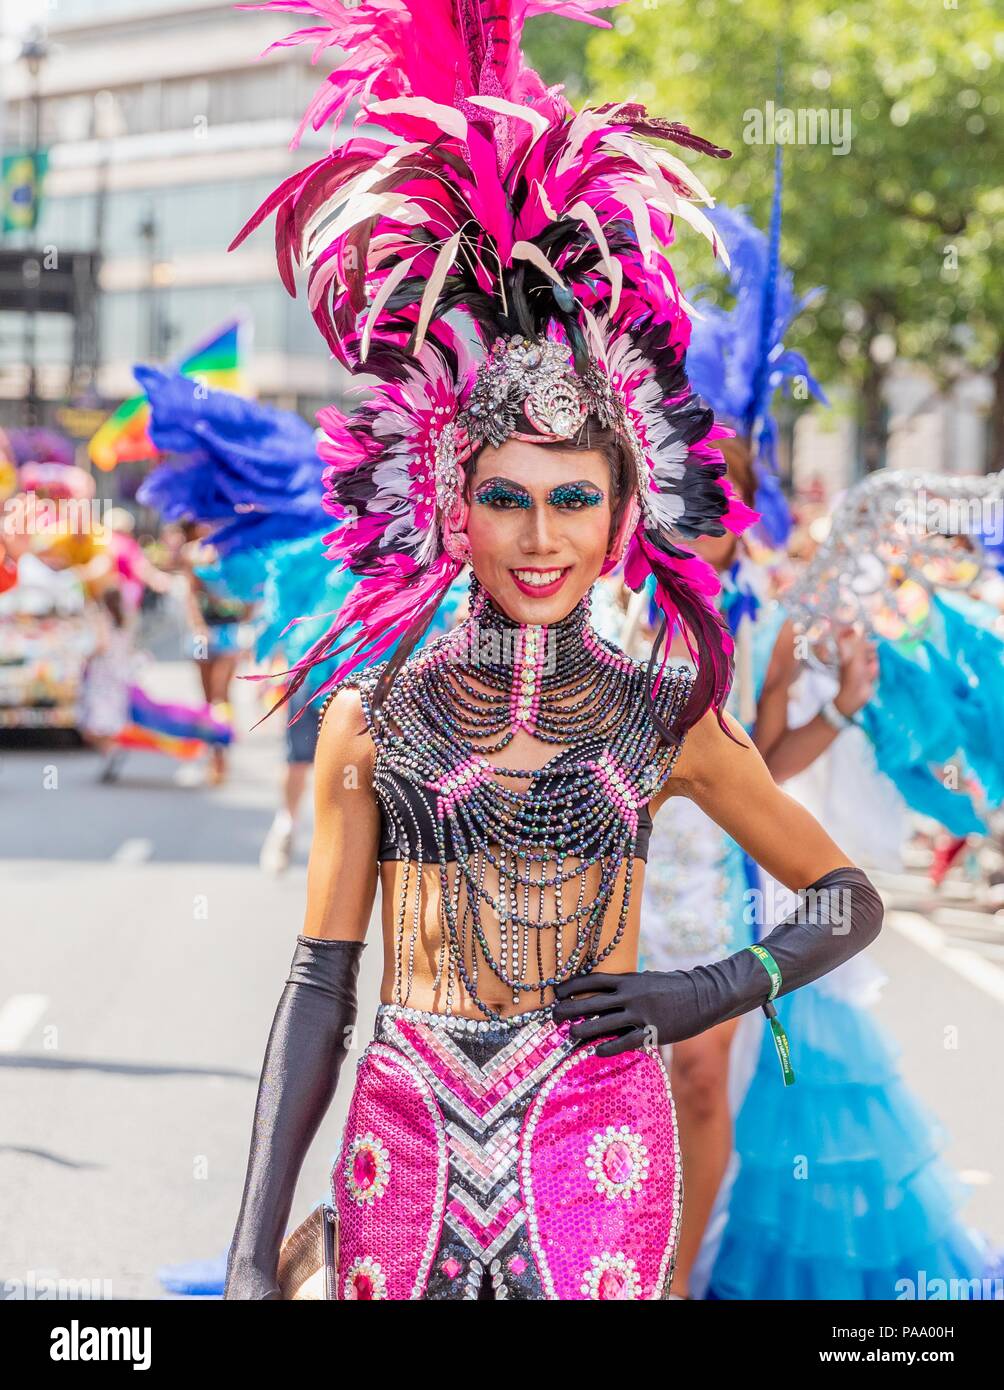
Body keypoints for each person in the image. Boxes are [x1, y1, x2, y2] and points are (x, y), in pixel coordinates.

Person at [221, 0, 885, 1301]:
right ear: (450, 502)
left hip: (602, 1156)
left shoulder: (663, 709)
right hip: (394, 1151)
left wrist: (705, 988)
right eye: (508, 497)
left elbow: (847, 897)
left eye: (574, 498)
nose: (541, 536)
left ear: (624, 510)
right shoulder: (377, 711)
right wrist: (251, 1253)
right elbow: (317, 990)